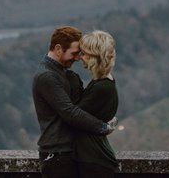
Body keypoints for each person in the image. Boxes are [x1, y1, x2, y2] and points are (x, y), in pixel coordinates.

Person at [32, 26, 117, 178]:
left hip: (67, 152)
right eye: (75, 53)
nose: (78, 58)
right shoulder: (47, 76)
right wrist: (103, 127)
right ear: (58, 49)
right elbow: (70, 112)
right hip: (56, 153)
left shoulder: (64, 73)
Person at [74, 30, 120, 177]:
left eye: (85, 54)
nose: (81, 57)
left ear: (95, 57)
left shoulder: (102, 87)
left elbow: (73, 116)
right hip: (95, 157)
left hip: (94, 160)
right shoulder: (103, 82)